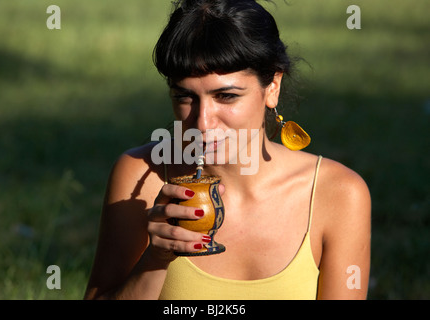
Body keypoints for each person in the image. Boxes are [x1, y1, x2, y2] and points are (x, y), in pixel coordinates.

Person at [84, 0, 371, 300]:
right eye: (185, 97)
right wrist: (155, 260)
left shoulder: (338, 194)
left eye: (226, 96)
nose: (203, 123)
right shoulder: (141, 176)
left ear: (273, 85)